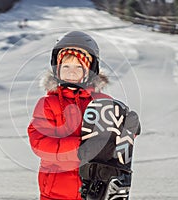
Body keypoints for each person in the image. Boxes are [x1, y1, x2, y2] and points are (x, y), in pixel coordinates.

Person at [27, 31, 140, 200]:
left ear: (90, 70)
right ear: (56, 70)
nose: (71, 72)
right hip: (56, 191)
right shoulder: (48, 104)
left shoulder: (103, 103)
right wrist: (79, 149)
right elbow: (40, 144)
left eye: (79, 67)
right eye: (66, 67)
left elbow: (116, 141)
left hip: (94, 188)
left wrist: (129, 130)